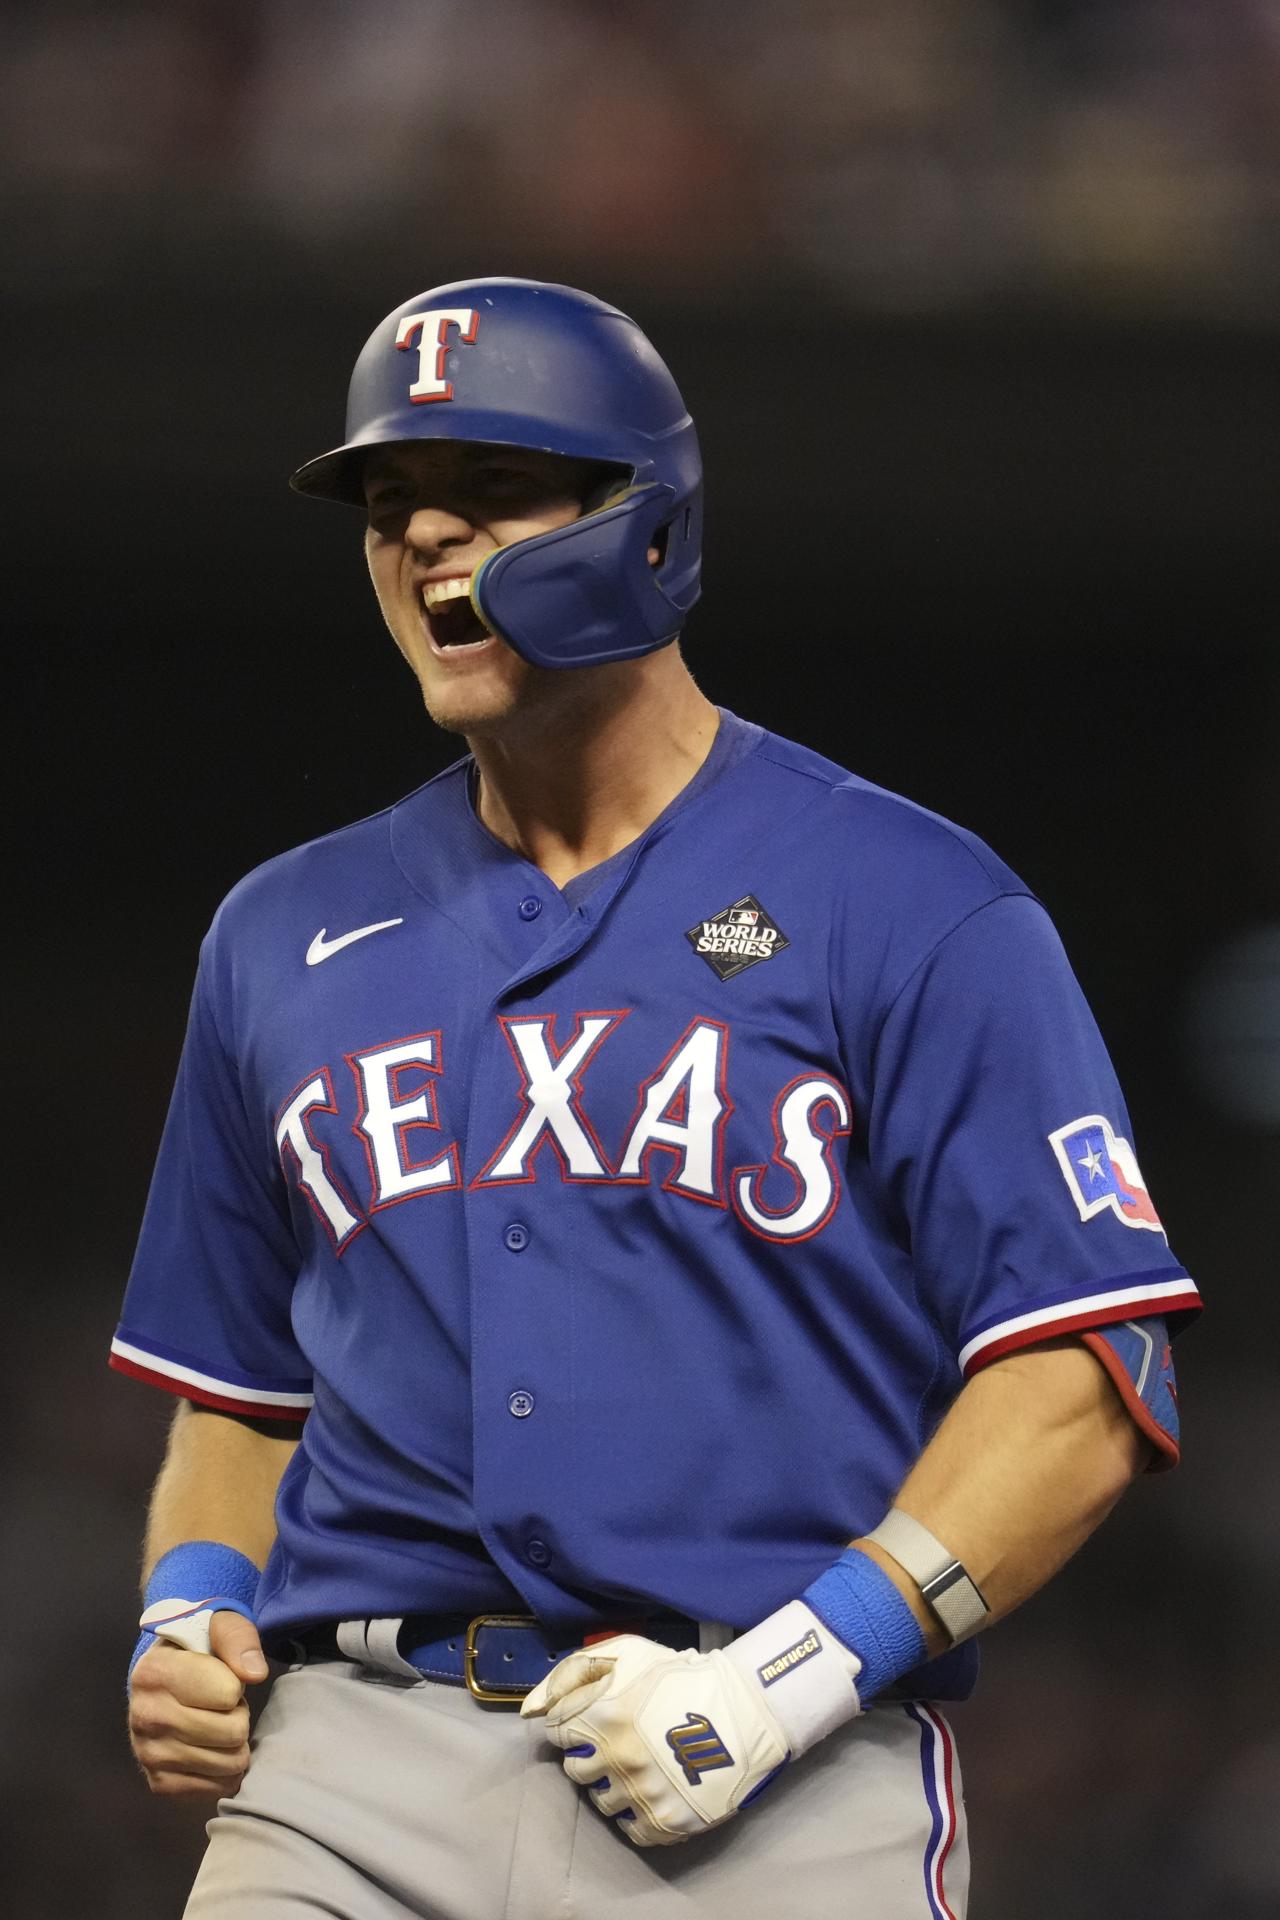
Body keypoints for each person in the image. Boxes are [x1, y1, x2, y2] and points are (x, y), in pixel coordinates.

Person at [114, 277, 1200, 1919]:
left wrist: (788, 1679)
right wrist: (186, 1612)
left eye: (489, 494)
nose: (423, 543)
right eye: (392, 508)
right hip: (347, 1770)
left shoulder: (905, 899)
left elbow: (1083, 1367)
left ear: (646, 529)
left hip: (773, 1767)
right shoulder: (282, 934)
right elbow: (236, 1391)